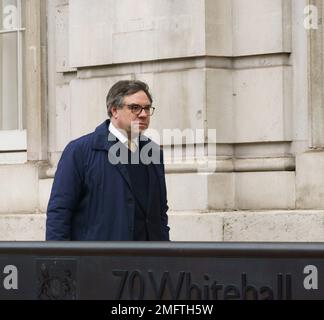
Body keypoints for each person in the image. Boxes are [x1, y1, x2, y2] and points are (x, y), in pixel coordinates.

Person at [46, 80, 170, 241]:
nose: (143, 114)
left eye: (147, 108)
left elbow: (160, 213)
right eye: (135, 108)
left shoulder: (153, 152)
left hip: (149, 261)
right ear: (114, 110)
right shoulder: (80, 151)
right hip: (99, 260)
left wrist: (166, 255)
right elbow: (60, 211)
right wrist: (58, 261)